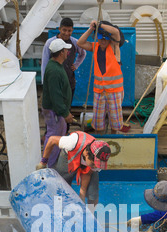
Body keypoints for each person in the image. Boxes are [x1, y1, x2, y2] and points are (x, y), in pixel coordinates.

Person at [36, 130, 111, 205]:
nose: (96, 167)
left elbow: (87, 173)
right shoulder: (71, 142)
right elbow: (52, 140)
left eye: (97, 165)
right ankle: (60, 209)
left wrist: (82, 194)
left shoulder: (98, 159)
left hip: (85, 157)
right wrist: (43, 162)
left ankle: (90, 213)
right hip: (69, 154)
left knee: (93, 192)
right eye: (93, 164)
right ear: (87, 154)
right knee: (61, 186)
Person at [77, 20, 124, 134]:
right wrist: (91, 28)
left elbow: (115, 31)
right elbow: (80, 43)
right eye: (100, 38)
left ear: (109, 39)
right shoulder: (95, 46)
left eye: (105, 38)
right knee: (98, 120)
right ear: (97, 37)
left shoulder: (114, 46)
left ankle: (114, 137)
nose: (103, 41)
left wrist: (99, 24)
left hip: (114, 91)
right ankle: (100, 138)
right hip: (99, 91)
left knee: (115, 120)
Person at [41, 38, 75, 168]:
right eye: (66, 50)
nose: (68, 52)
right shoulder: (55, 71)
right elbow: (56, 96)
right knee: (54, 137)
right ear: (61, 53)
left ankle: (50, 162)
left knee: (57, 134)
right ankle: (49, 166)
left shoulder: (54, 66)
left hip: (55, 110)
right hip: (55, 111)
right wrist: (65, 113)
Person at [41, 17, 86, 103]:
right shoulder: (50, 43)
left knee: (67, 108)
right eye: (64, 30)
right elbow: (44, 63)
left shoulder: (75, 42)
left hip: (69, 82)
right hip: (55, 83)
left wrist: (76, 65)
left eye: (69, 31)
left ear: (72, 30)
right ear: (59, 29)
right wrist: (45, 83)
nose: (66, 33)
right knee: (56, 108)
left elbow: (83, 53)